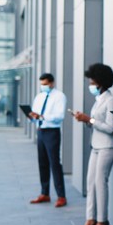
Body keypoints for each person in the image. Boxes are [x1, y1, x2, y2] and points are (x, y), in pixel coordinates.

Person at [72, 63, 113, 225]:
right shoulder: (98, 100)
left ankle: (102, 220)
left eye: (92, 81)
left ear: (101, 82)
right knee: (90, 183)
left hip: (108, 147)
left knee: (100, 183)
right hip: (96, 145)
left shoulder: (111, 100)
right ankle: (90, 218)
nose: (90, 84)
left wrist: (89, 120)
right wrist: (85, 120)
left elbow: (111, 128)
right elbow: (94, 124)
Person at [29, 73, 68, 207]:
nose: (43, 86)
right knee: (43, 163)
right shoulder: (39, 97)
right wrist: (33, 117)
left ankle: (61, 196)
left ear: (52, 83)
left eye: (45, 84)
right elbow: (35, 113)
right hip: (41, 131)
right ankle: (44, 193)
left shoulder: (59, 96)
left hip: (52, 132)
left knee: (54, 163)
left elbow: (59, 116)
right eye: (41, 84)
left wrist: (43, 116)